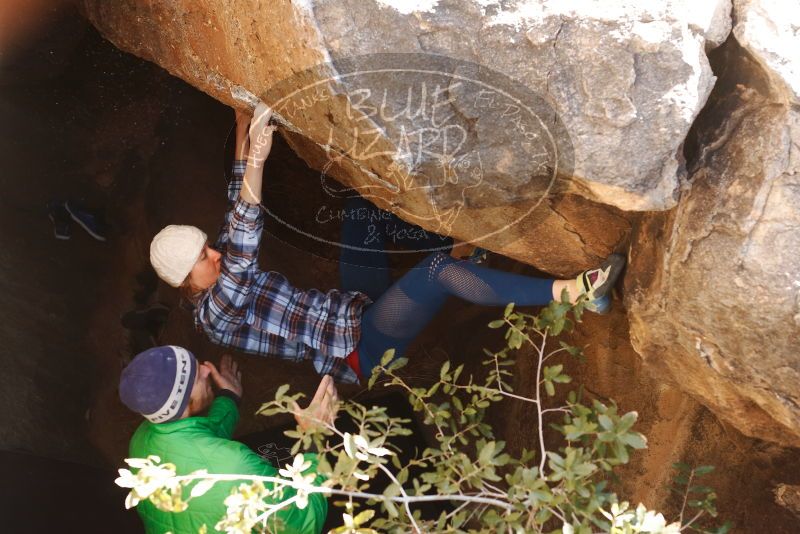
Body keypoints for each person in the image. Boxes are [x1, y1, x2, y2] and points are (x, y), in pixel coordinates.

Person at [148, 103, 625, 384]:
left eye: (207, 246)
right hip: (360, 348)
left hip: (352, 307)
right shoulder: (216, 313)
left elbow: (236, 199)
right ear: (187, 282)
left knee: (360, 206)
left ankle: (464, 251)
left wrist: (240, 119)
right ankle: (577, 293)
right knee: (435, 275)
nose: (214, 253)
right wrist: (258, 156)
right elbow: (247, 233)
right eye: (203, 259)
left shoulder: (213, 272)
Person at [119, 346, 335, 534]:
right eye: (196, 376)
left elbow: (199, 440)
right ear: (183, 405)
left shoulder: (141, 439)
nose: (206, 369)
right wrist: (315, 436)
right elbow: (304, 524)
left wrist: (228, 397)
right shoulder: (235, 468)